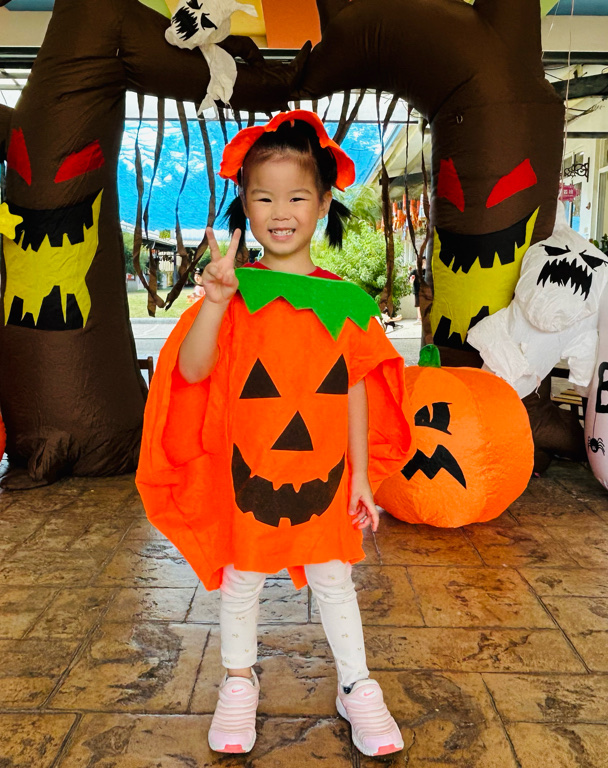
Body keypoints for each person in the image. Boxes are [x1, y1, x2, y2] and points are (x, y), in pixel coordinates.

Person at [136, 111, 414, 758]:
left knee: (334, 579)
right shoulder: (234, 295)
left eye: (296, 197)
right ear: (245, 204)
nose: (280, 212)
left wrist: (362, 476)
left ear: (324, 202)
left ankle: (356, 685)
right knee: (243, 580)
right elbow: (193, 371)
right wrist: (213, 302)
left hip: (325, 474)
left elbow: (353, 388)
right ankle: (239, 680)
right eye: (264, 197)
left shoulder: (346, 303)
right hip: (250, 472)